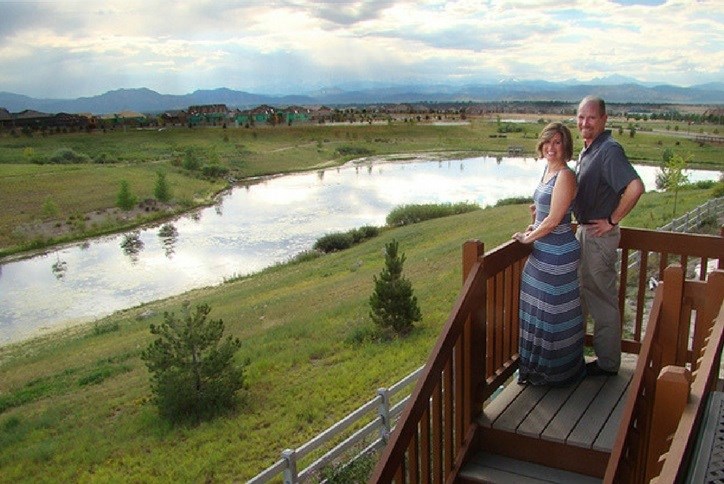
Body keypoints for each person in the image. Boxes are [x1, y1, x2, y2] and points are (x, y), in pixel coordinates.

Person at [574, 96, 645, 377]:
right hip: (585, 233)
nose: (585, 122)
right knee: (580, 294)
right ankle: (576, 357)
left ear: (604, 119)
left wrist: (612, 220)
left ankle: (607, 365)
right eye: (581, 117)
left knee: (601, 299)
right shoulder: (589, 149)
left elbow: (635, 188)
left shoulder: (609, 150)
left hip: (597, 236)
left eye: (591, 117)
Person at [512, 122, 585, 386]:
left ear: (566, 146)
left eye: (557, 142)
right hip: (543, 249)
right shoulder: (548, 170)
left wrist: (526, 237)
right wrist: (533, 222)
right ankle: (534, 367)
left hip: (557, 252)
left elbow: (555, 220)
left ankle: (555, 372)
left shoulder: (565, 175)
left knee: (552, 313)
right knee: (536, 309)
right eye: (547, 142)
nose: (551, 147)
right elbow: (546, 213)